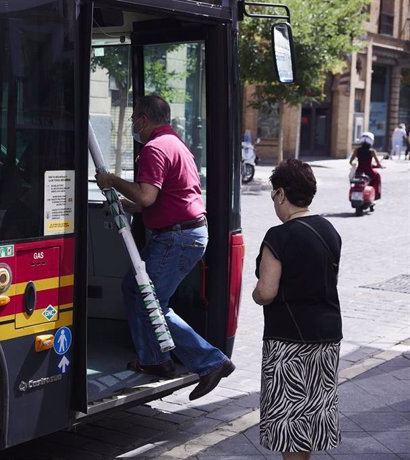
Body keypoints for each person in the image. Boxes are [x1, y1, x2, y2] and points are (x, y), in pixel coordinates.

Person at [95, 95, 234, 401]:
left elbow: (146, 198)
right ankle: (154, 360)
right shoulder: (176, 144)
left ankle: (210, 361)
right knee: (134, 289)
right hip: (182, 234)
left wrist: (111, 180)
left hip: (176, 238)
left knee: (152, 303)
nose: (133, 126)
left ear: (144, 120)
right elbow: (156, 201)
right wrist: (125, 205)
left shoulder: (155, 148)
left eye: (134, 120)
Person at [252, 158, 343, 460]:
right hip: (326, 337)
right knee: (310, 417)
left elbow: (266, 292)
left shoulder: (278, 236)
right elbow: (331, 281)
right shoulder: (329, 230)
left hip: (288, 341)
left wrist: (254, 292)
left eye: (273, 195)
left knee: (290, 422)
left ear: (281, 194)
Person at [349, 131, 383, 199]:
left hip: (359, 172)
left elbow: (351, 161)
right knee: (377, 176)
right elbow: (378, 164)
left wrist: (354, 164)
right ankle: (375, 195)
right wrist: (380, 166)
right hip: (369, 172)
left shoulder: (357, 150)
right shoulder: (372, 151)